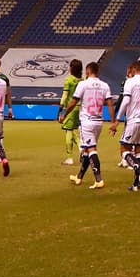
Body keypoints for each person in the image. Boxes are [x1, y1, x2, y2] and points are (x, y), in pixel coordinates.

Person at [60, 61, 114, 189]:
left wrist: (64, 115)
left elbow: (73, 102)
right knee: (86, 150)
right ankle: (79, 177)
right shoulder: (105, 85)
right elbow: (110, 104)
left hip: (86, 122)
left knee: (91, 150)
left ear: (88, 71)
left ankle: (99, 179)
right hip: (98, 122)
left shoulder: (83, 84)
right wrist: (112, 122)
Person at [111, 59, 140, 191]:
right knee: (139, 152)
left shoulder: (130, 82)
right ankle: (137, 184)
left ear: (134, 68)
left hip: (133, 120)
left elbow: (126, 101)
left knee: (124, 150)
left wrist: (117, 120)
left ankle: (139, 169)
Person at [59, 58, 83, 166]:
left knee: (68, 130)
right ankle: (81, 148)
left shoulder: (68, 80)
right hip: (80, 108)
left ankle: (70, 157)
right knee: (73, 130)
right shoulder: (82, 80)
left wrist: (61, 107)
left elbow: (65, 95)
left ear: (72, 68)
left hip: (71, 107)